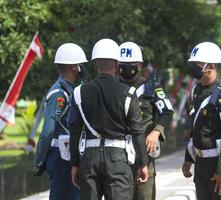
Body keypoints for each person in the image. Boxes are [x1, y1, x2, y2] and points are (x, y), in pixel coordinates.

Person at [68, 38, 149, 200]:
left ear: (95, 64)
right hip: (118, 158)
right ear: (117, 64)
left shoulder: (79, 93)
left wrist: (75, 163)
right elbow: (137, 131)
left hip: (89, 158)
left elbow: (75, 130)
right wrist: (142, 163)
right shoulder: (128, 93)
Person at [182, 42, 221, 200]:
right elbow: (195, 126)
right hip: (201, 163)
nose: (194, 67)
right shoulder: (196, 90)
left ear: (211, 66)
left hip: (219, 164)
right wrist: (188, 159)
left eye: (198, 64)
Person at [118, 41, 173, 200]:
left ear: (140, 65)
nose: (126, 67)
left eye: (131, 64)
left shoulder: (152, 88)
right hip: (118, 158)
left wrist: (156, 132)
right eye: (123, 64)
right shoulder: (112, 88)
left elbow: (167, 112)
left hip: (144, 155)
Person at [33, 43, 87, 200]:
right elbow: (48, 131)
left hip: (68, 155)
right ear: (73, 66)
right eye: (79, 64)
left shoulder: (70, 90)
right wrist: (39, 160)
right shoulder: (59, 93)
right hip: (61, 157)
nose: (81, 67)